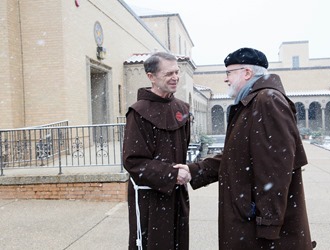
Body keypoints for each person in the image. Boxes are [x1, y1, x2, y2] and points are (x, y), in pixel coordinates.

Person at [175, 47, 316, 249]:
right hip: (249, 220)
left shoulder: (267, 101)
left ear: (247, 73)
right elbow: (236, 156)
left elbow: (276, 169)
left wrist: (269, 223)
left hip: (257, 228)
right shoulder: (253, 102)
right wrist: (195, 170)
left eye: (229, 73)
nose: (226, 79)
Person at [123, 51, 192, 250]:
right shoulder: (138, 112)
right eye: (169, 73)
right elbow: (133, 161)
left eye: (177, 72)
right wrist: (171, 174)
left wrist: (182, 173)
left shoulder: (183, 109)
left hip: (177, 193)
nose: (175, 77)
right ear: (151, 77)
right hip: (150, 198)